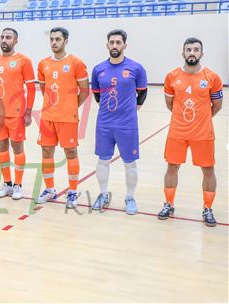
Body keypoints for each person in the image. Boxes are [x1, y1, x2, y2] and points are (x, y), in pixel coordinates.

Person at [158, 37, 223, 227]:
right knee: (172, 167)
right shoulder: (172, 76)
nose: (192, 53)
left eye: (195, 50)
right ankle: (169, 204)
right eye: (188, 50)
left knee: (208, 169)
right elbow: (170, 104)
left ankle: (207, 208)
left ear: (202, 53)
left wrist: (201, 119)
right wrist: (184, 118)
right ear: (183, 53)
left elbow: (217, 105)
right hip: (177, 132)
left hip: (203, 133)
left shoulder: (212, 77)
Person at [91, 29, 148, 214]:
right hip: (105, 124)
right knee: (103, 160)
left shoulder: (136, 68)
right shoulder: (98, 69)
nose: (115, 45)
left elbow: (142, 93)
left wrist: (130, 110)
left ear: (125, 45)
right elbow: (97, 95)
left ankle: (130, 197)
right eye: (112, 42)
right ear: (107, 45)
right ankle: (103, 194)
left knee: (130, 163)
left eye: (118, 42)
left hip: (127, 125)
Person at [35, 27, 89, 208]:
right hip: (48, 116)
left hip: (68, 118)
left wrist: (70, 106)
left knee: (71, 152)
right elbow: (44, 89)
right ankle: (50, 189)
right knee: (46, 151)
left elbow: (85, 91)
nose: (54, 42)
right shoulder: (43, 64)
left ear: (66, 41)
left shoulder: (76, 63)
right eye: (52, 39)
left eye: (58, 39)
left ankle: (72, 191)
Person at [0, 28, 35, 200]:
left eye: (8, 37)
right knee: (1, 148)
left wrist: (28, 112)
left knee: (17, 148)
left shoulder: (24, 61)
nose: (4, 40)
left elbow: (31, 88)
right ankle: (7, 183)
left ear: (15, 41)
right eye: (2, 37)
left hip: (16, 114)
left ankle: (18, 184)